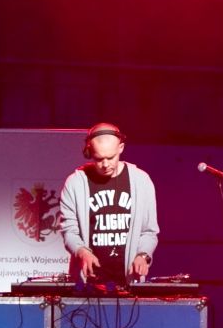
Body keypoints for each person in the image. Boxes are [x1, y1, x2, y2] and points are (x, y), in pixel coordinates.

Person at [59, 122, 159, 287]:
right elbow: (69, 230)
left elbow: (149, 231)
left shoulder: (141, 181)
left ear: (121, 148)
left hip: (129, 282)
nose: (105, 165)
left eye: (110, 158)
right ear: (89, 152)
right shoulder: (75, 183)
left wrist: (143, 255)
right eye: (99, 159)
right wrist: (81, 252)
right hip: (88, 283)